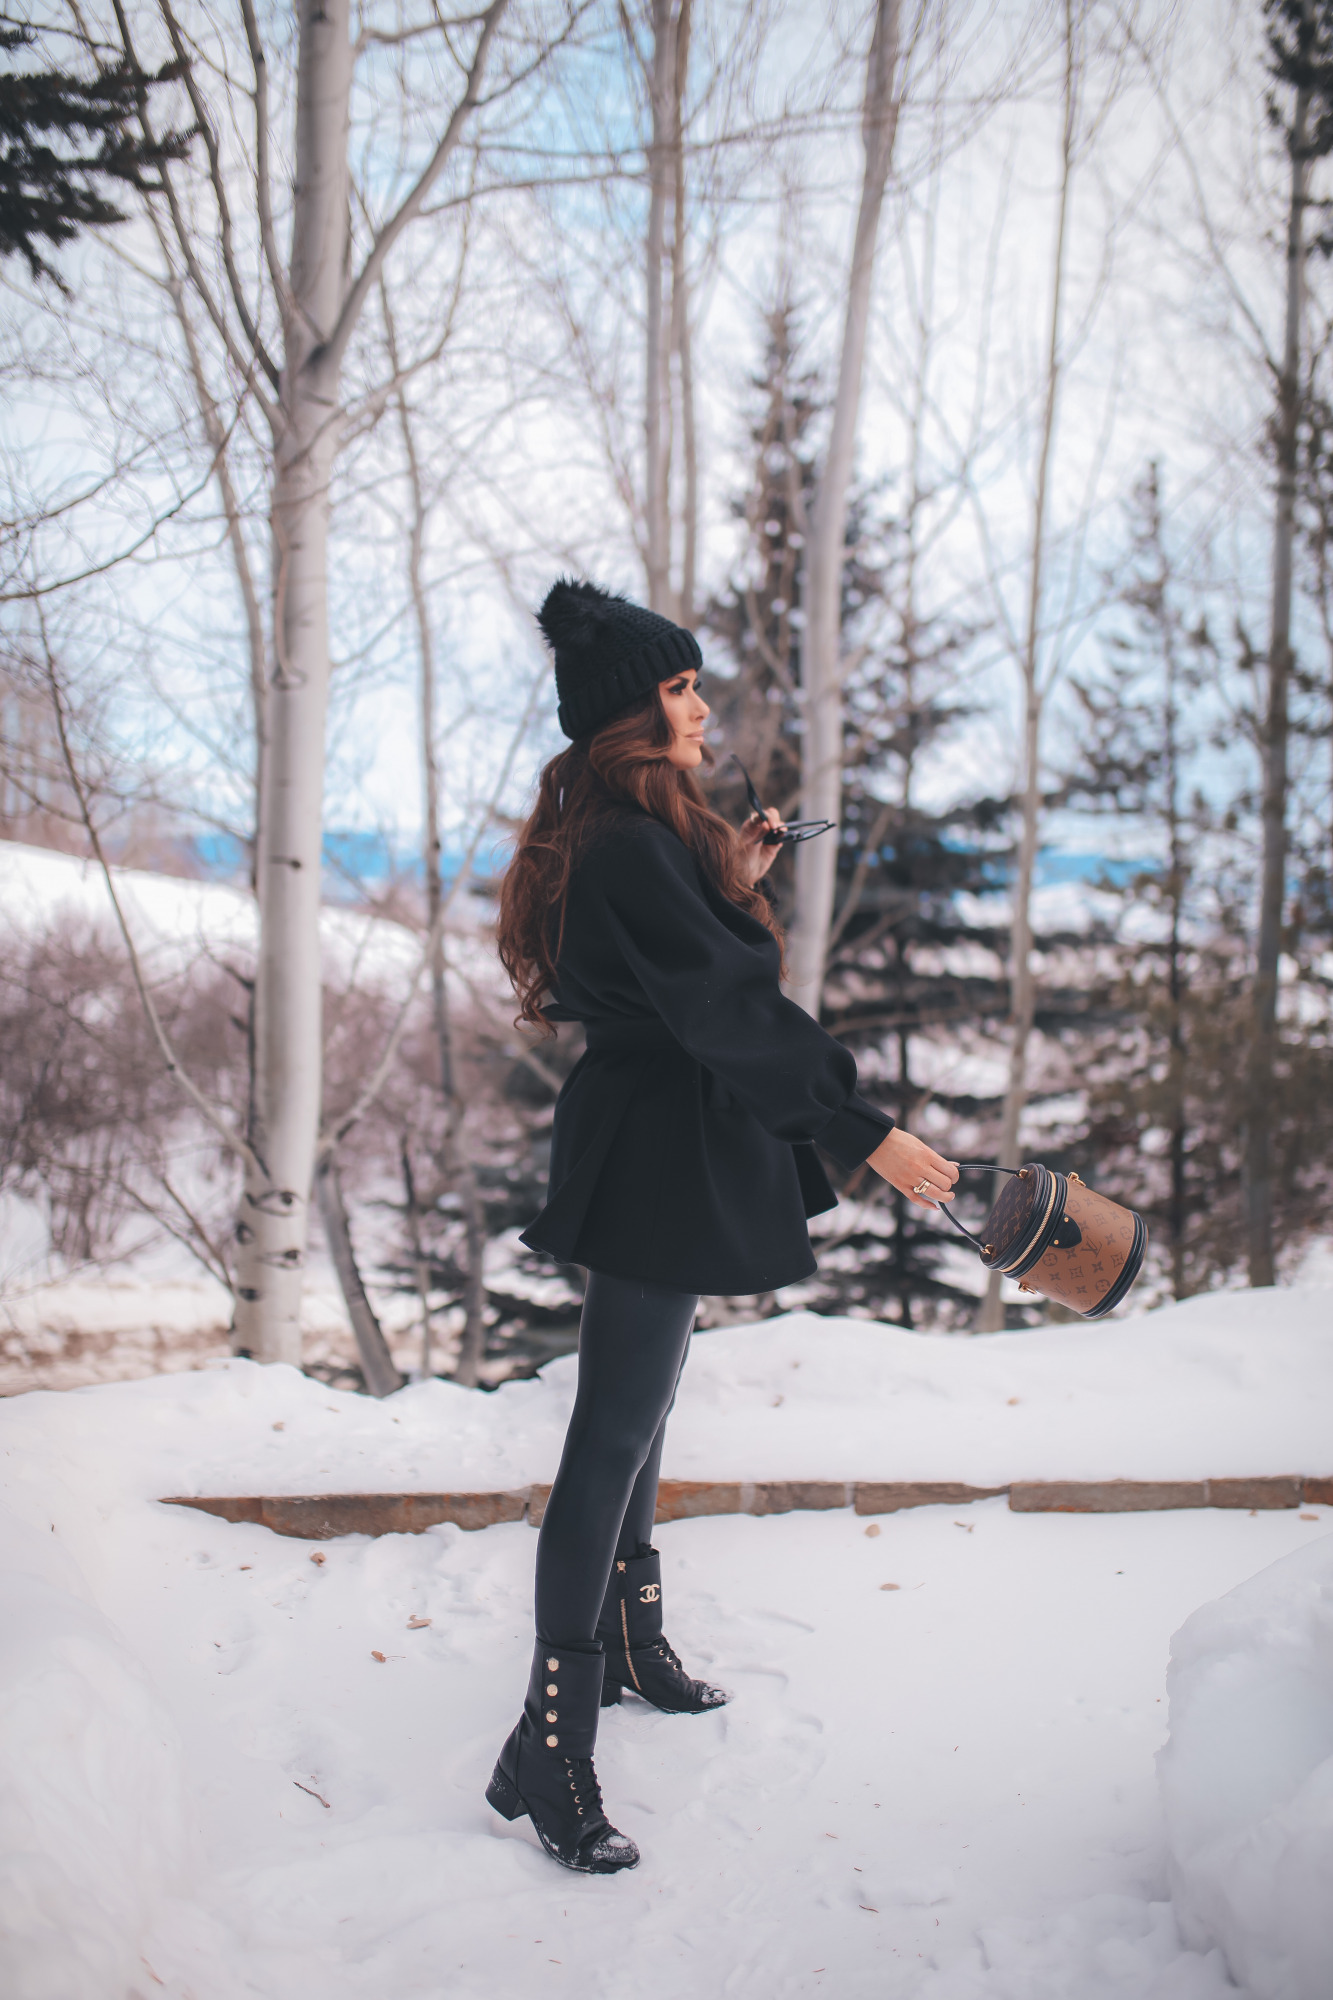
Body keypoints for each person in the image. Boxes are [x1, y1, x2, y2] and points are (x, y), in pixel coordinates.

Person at [486, 578, 959, 1874]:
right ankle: (548, 1744)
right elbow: (726, 1017)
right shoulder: (628, 844)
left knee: (645, 1406)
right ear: (632, 710)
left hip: (665, 1135)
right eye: (681, 687)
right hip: (653, 1145)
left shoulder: (640, 833)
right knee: (610, 1431)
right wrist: (861, 1133)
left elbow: (701, 980)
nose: (701, 705)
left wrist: (734, 877)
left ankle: (630, 1646)